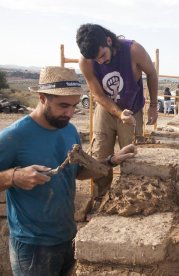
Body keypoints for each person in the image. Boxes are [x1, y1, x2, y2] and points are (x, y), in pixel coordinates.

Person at [0, 66, 136, 275]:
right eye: (63, 106)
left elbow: (76, 173)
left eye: (74, 106)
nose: (70, 113)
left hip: (67, 236)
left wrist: (110, 161)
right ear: (42, 98)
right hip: (33, 247)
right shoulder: (14, 137)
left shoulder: (69, 130)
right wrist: (14, 176)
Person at [76, 23, 158, 196]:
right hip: (105, 110)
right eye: (96, 60)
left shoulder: (133, 51)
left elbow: (151, 73)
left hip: (132, 109)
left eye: (103, 55)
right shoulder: (85, 62)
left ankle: (131, 198)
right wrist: (119, 113)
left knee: (131, 155)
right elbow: (98, 95)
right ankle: (101, 199)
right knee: (99, 157)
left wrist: (153, 106)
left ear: (108, 40)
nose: (101, 61)